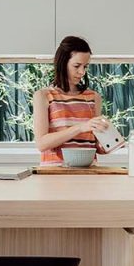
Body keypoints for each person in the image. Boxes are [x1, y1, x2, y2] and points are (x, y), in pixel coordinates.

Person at [33, 35, 116, 167]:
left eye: (85, 66)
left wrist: (109, 141)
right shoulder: (43, 96)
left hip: (89, 174)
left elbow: (95, 146)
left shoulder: (93, 97)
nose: (82, 72)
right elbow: (42, 144)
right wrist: (80, 128)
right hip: (54, 176)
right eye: (77, 66)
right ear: (62, 63)